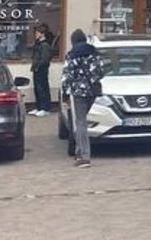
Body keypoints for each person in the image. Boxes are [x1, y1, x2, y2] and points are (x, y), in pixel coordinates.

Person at [60, 30, 105, 168]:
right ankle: (79, 152)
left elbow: (67, 76)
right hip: (92, 92)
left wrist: (65, 95)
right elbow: (100, 72)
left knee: (81, 122)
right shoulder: (94, 53)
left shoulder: (71, 55)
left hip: (78, 92)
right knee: (82, 121)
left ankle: (84, 157)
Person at [28, 24, 57, 118]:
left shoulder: (45, 45)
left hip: (41, 70)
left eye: (37, 33)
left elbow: (45, 60)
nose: (35, 34)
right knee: (37, 89)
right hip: (36, 69)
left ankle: (45, 108)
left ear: (42, 34)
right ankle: (39, 107)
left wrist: (37, 64)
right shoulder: (38, 44)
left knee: (42, 89)